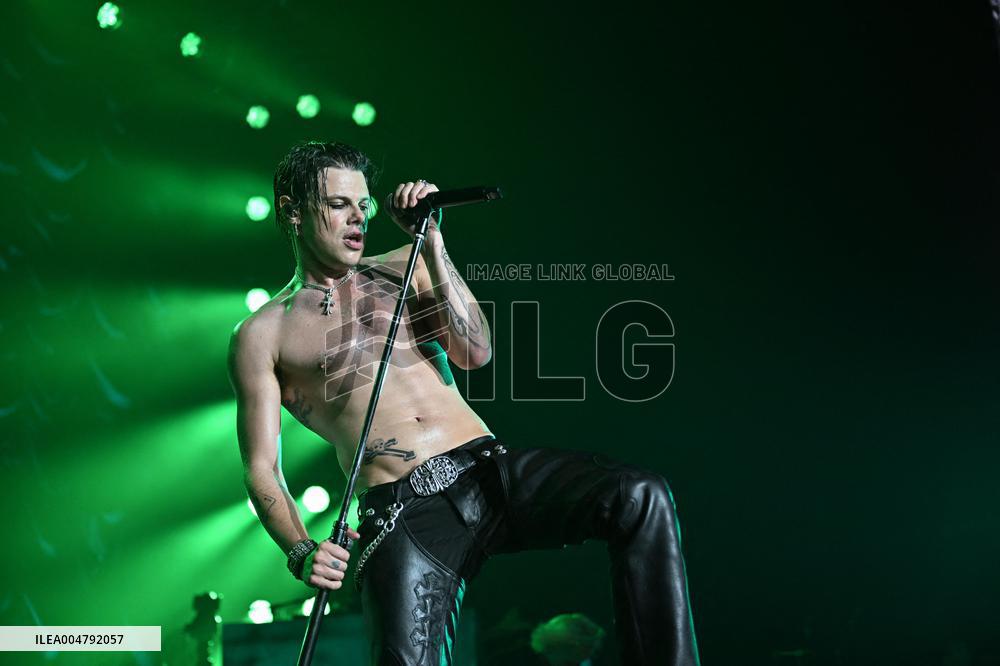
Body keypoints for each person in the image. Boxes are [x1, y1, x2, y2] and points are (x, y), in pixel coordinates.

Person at [227, 140, 700, 665]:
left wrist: (432, 245)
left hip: (486, 470)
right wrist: (301, 551)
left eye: (364, 205)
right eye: (338, 204)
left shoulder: (405, 265)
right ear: (292, 211)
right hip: (402, 511)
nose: (357, 217)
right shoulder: (263, 334)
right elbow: (261, 468)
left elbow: (475, 351)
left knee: (639, 495)